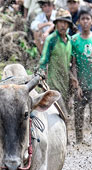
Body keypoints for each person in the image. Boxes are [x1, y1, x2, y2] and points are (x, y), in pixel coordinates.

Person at [39, 8, 75, 115]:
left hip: (66, 84)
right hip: (54, 84)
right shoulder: (52, 39)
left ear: (69, 25)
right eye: (60, 22)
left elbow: (71, 63)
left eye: (65, 22)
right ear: (56, 24)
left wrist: (73, 78)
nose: (63, 25)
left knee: (66, 115)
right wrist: (41, 73)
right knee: (62, 114)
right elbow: (44, 59)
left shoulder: (70, 40)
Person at [71, 6, 92, 143]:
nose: (85, 21)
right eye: (82, 19)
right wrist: (76, 84)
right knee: (78, 114)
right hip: (81, 85)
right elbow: (73, 64)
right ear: (78, 21)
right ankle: (79, 141)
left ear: (91, 21)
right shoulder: (74, 40)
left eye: (88, 19)